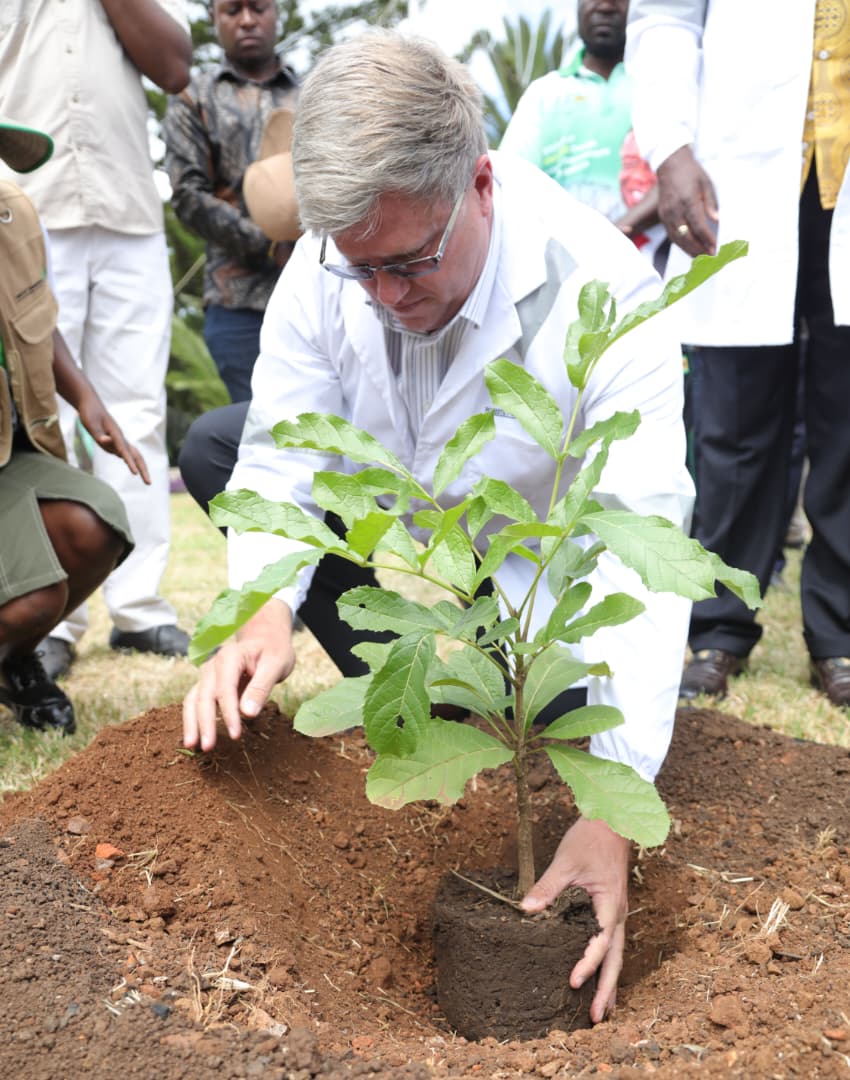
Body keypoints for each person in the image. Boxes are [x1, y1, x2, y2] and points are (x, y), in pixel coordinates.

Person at [180, 29, 695, 1023]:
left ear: (481, 186)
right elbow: (281, 456)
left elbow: (638, 539)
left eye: (410, 263)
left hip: (531, 575)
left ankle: (494, 696)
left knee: (557, 705)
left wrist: (612, 805)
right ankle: (413, 694)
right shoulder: (333, 264)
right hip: (404, 502)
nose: (384, 297)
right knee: (216, 444)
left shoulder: (601, 291)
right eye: (360, 270)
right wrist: (260, 608)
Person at [627, 0, 850, 705]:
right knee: (734, 422)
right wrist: (670, 150)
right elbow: (664, 18)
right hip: (740, 172)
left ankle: (842, 635)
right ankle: (718, 626)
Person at [0, 1, 193, 681]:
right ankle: (53, 620)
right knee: (41, 415)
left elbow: (174, 66)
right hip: (25, 210)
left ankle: (139, 608)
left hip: (126, 208)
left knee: (135, 410)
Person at [0, 118, 145, 736]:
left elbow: (37, 313)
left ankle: (12, 661)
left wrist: (87, 399)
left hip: (11, 450)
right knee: (33, 595)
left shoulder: (16, 216)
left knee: (93, 523)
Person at [164, 0, 299, 405]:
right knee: (261, 423)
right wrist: (269, 244)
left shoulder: (314, 94)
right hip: (239, 307)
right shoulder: (193, 97)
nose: (247, 20)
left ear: (276, 12)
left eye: (258, 8)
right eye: (232, 10)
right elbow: (187, 194)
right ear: (214, 18)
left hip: (319, 293)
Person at [501, 0, 662, 257]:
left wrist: (608, 241)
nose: (605, 6)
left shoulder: (657, 84)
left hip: (654, 267)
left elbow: (679, 175)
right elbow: (509, 184)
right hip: (561, 269)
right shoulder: (545, 94)